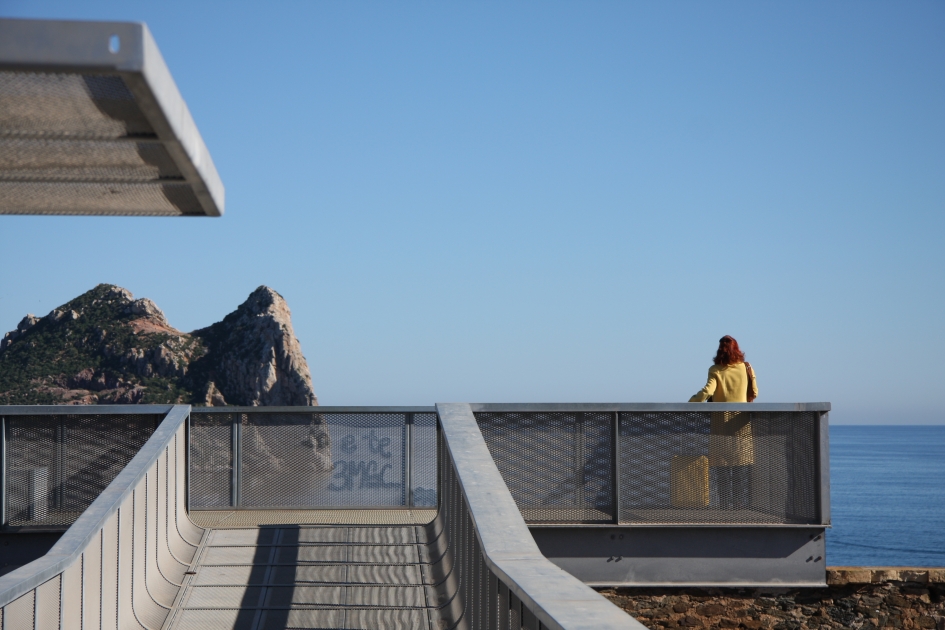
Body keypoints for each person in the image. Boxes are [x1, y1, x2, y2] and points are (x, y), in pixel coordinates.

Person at [689, 335, 758, 510]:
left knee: (722, 468)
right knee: (740, 467)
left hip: (720, 424)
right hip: (741, 424)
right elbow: (755, 392)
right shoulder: (746, 367)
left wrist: (691, 402)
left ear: (719, 350)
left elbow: (707, 391)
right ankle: (739, 505)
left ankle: (724, 505)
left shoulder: (715, 370)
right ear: (737, 349)